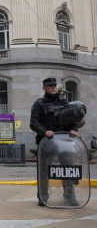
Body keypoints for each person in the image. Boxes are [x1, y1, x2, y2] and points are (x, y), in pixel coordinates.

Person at [30, 77, 79, 207]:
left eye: (54, 85)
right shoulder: (39, 104)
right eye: (49, 85)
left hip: (64, 143)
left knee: (68, 169)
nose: (53, 87)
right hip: (46, 142)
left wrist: (74, 130)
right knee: (44, 170)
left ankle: (70, 196)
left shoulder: (64, 103)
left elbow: (73, 121)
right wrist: (44, 131)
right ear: (44, 88)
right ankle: (43, 197)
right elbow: (33, 123)